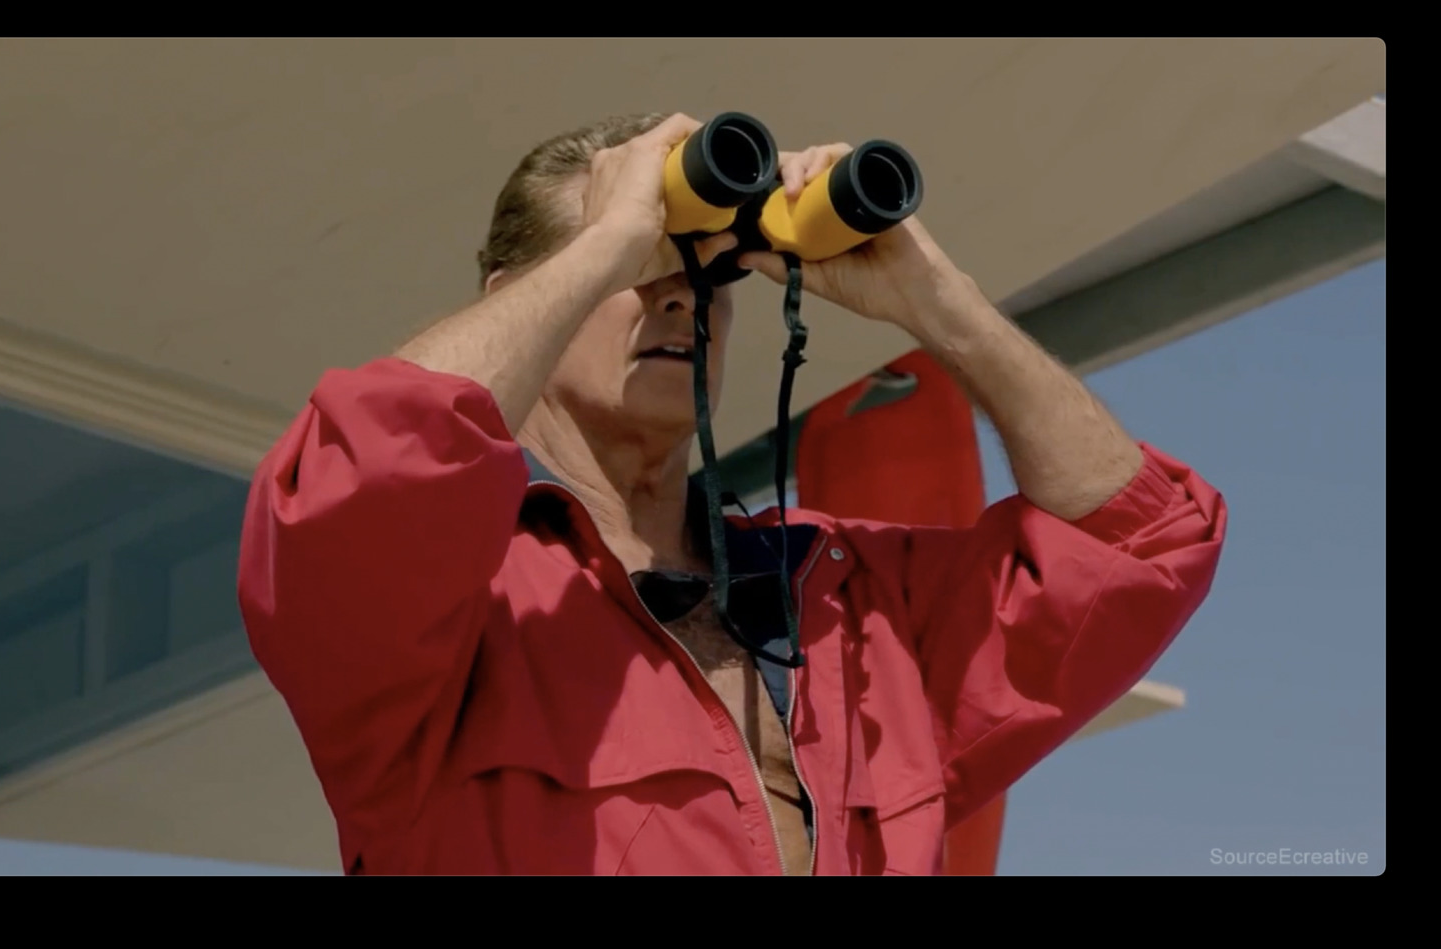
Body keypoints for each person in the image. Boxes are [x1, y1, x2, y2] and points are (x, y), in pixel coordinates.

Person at [236, 111, 1227, 875]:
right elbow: (361, 469)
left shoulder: (846, 604)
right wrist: (606, 240)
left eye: (709, 272)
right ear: (520, 298)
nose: (682, 293)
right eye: (646, 265)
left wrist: (939, 305)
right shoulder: (459, 615)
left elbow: (1143, 545)